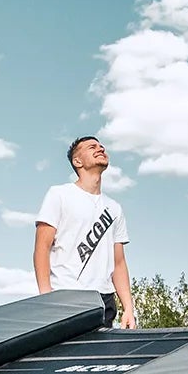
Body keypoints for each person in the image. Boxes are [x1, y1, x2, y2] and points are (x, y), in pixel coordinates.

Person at [34, 135, 137, 328]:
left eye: (101, 146)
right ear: (77, 161)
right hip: (66, 295)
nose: (100, 149)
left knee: (100, 357)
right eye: (92, 147)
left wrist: (128, 309)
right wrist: (45, 297)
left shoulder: (114, 208)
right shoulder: (59, 195)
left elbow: (119, 262)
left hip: (103, 299)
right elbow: (42, 247)